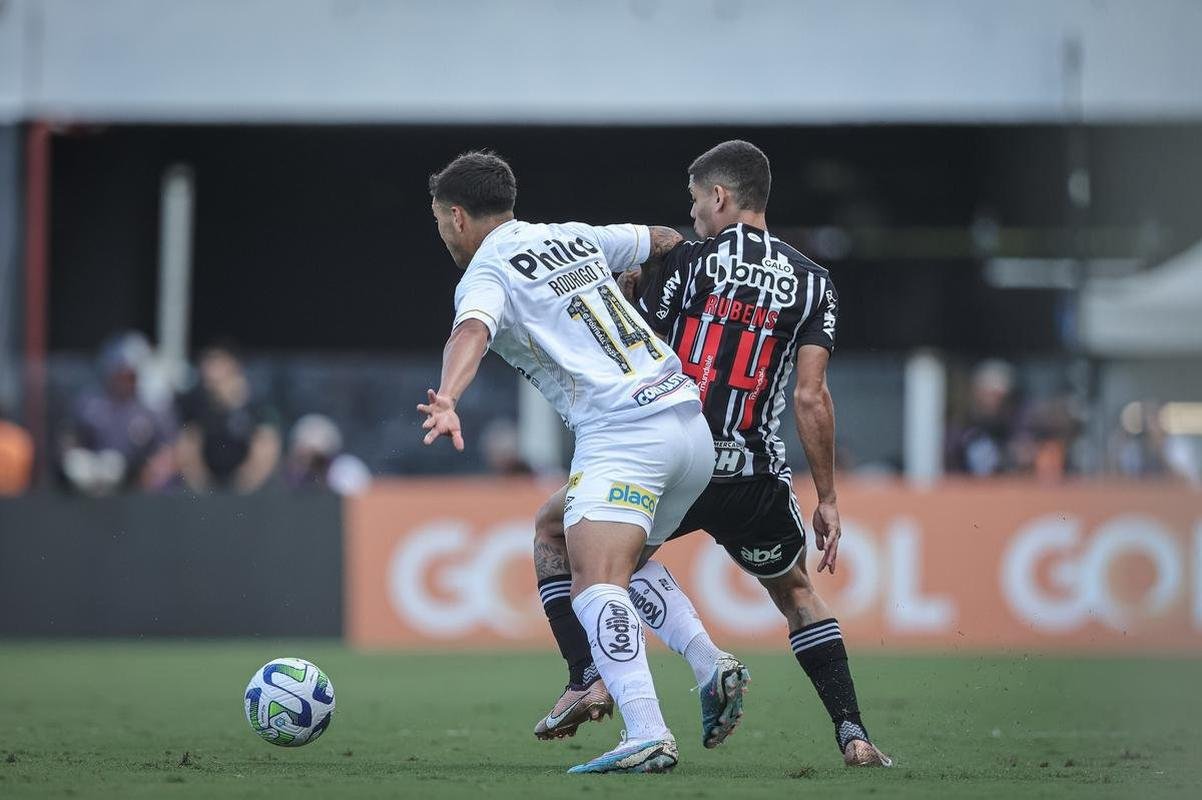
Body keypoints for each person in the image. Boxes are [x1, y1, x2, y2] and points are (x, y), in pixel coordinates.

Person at [531, 140, 891, 767]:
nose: (692, 213)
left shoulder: (689, 263)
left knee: (572, 542)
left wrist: (619, 289)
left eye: (695, 200)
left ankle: (593, 674)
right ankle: (854, 734)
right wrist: (828, 497)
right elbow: (811, 397)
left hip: (674, 460)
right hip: (753, 472)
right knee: (798, 593)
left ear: (719, 197)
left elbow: (634, 350)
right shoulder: (814, 283)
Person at [419, 151, 730, 774]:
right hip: (688, 427)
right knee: (565, 533)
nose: (440, 231)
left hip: (623, 434)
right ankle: (706, 662)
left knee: (596, 583)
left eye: (438, 220)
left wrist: (448, 396)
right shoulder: (573, 237)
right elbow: (665, 239)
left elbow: (471, 333)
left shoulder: (487, 271)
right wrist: (645, 280)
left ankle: (644, 730)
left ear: (456, 216)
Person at [58, 332, 177, 495]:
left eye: (129, 375)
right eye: (119, 373)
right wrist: (76, 461)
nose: (123, 379)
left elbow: (167, 453)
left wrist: (138, 477)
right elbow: (69, 439)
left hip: (137, 491)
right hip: (90, 488)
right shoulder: (89, 402)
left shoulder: (154, 407)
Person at [176, 344, 280, 493]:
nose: (208, 369)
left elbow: (267, 447)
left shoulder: (256, 404)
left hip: (248, 492)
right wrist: (205, 491)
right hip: (207, 490)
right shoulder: (196, 404)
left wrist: (239, 492)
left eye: (215, 362)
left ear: (232, 365)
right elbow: (187, 448)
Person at [284, 413, 372, 495]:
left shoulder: (344, 471)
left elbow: (362, 500)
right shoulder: (297, 477)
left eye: (310, 453)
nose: (304, 461)